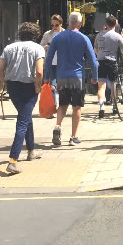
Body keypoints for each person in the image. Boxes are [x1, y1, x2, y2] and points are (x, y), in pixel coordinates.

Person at [0, 22, 44, 174]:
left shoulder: (9, 48)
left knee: (25, 116)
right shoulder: (37, 48)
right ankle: (13, 160)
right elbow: (40, 72)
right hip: (29, 87)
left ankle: (31, 151)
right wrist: (37, 86)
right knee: (22, 121)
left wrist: (5, 82)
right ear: (35, 35)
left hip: (13, 87)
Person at [44, 12, 98, 146]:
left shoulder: (57, 37)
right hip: (77, 77)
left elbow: (49, 58)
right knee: (77, 107)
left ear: (68, 22)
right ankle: (74, 136)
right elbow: (92, 60)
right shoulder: (84, 38)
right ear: (80, 24)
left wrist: (46, 76)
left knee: (62, 104)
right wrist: (95, 76)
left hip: (61, 76)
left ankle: (58, 126)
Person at [94, 15, 123, 118]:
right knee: (113, 83)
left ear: (106, 24)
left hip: (101, 62)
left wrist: (100, 54)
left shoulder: (99, 35)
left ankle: (102, 107)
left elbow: (95, 49)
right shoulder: (117, 36)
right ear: (115, 24)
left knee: (101, 86)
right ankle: (114, 105)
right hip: (112, 62)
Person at [40, 14, 64, 113]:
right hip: (50, 63)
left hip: (62, 63)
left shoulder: (65, 34)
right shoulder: (47, 34)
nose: (54, 27)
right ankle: (53, 107)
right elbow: (40, 46)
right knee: (51, 86)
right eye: (52, 25)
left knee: (62, 87)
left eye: (56, 25)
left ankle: (62, 107)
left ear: (61, 24)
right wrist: (45, 47)